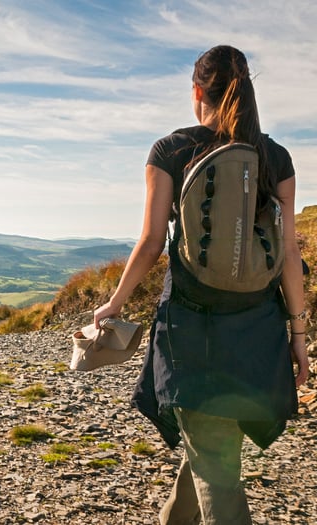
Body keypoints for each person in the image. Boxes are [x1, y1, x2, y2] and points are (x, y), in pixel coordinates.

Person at [93, 45, 310, 524]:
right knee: (211, 450)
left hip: (191, 330)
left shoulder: (171, 150)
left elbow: (151, 243)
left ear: (197, 91)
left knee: (215, 466)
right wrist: (299, 337)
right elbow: (290, 253)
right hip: (258, 329)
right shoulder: (275, 156)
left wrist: (114, 303)